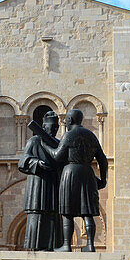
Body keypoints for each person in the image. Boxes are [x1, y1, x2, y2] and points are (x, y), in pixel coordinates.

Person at [43, 108, 108, 252]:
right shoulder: (91, 135)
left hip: (70, 173)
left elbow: (57, 156)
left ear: (70, 120)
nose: (65, 122)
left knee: (68, 212)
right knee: (87, 212)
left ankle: (66, 245)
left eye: (66, 120)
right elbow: (103, 160)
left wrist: (45, 146)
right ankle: (90, 245)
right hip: (87, 173)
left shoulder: (68, 135)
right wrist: (103, 179)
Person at [17, 109, 63, 250]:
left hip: (53, 184)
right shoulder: (34, 141)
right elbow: (22, 162)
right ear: (44, 127)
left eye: (56, 127)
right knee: (37, 214)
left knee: (53, 215)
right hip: (37, 185)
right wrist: (37, 163)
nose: (54, 130)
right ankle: (33, 247)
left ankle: (53, 246)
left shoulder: (58, 143)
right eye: (51, 127)